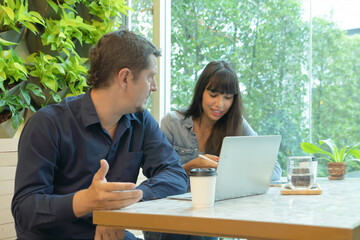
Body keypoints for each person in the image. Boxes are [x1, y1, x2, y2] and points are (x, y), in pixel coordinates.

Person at [11, 29, 188, 240]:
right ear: (125, 78)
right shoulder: (47, 124)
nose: (154, 87)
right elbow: (25, 210)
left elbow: (176, 174)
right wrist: (87, 200)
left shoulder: (141, 122)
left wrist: (125, 202)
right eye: (150, 77)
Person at [144, 60, 282, 240]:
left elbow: (275, 170)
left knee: (207, 229)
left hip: (209, 218)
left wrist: (228, 169)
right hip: (171, 217)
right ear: (201, 92)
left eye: (228, 97)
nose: (220, 104)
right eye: (213, 94)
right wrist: (189, 167)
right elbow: (157, 180)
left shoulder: (236, 124)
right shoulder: (172, 123)